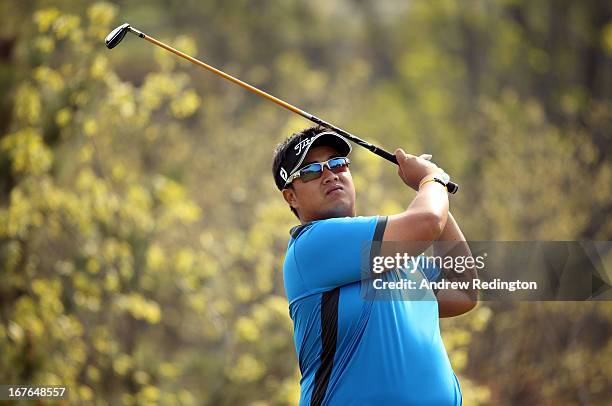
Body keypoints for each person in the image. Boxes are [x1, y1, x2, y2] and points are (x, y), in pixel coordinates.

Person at [272, 126, 478, 405]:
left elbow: (464, 291)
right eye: (310, 171)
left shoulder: (393, 254)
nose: (330, 174)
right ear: (291, 197)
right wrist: (432, 180)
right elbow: (428, 221)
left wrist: (432, 190)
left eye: (337, 163)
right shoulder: (312, 244)